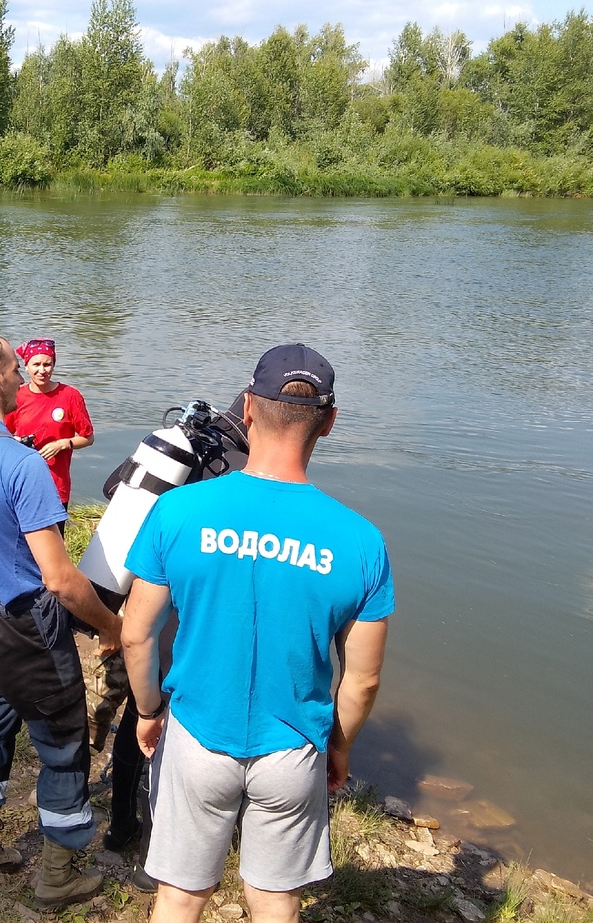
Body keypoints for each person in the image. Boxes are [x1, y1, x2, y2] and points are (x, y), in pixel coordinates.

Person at [121, 343, 394, 923]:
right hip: (293, 750)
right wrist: (338, 747)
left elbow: (137, 634)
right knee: (274, 901)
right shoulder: (361, 540)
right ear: (330, 421)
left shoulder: (178, 511)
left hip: (196, 732)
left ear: (247, 409)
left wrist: (148, 710)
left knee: (180, 895)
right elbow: (363, 679)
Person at [0, 331, 122, 912]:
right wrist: (109, 628)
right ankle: (57, 876)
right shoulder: (19, 462)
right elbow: (61, 579)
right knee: (65, 742)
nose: (22, 375)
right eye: (14, 367)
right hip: (21, 624)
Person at [4, 339, 94, 525]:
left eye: (47, 364)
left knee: (53, 543)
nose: (42, 370)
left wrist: (63, 443)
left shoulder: (70, 396)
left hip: (56, 485)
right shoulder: (17, 395)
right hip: (22, 481)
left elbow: (88, 438)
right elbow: (2, 435)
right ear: (26, 367)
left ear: (53, 365)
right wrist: (17, 440)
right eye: (36, 364)